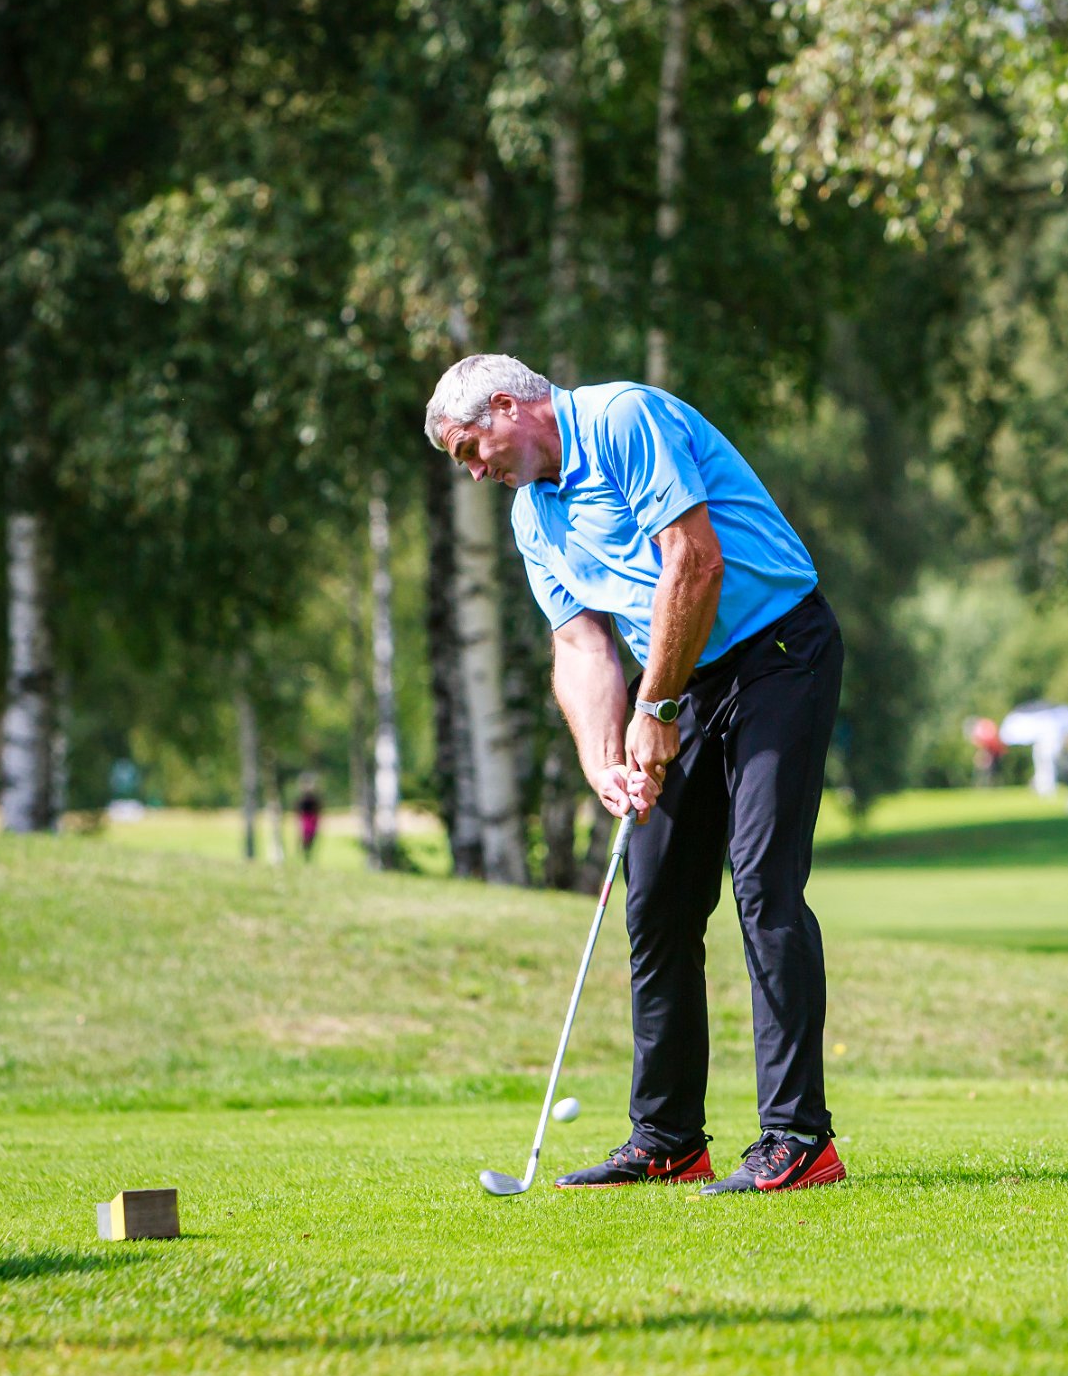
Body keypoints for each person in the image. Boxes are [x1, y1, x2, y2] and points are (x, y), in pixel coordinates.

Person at [424, 354, 847, 1196]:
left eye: (472, 448)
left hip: (778, 654)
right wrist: (604, 760)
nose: (474, 471)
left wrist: (654, 710)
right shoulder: (529, 515)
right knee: (655, 901)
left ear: (509, 406)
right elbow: (581, 644)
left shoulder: (621, 419)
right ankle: (667, 1138)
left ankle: (800, 1139)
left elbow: (694, 560)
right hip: (679, 680)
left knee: (762, 885)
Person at [297, 781, 323, 862]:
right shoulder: (305, 799)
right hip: (307, 819)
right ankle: (306, 852)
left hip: (311, 819)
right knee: (307, 836)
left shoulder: (312, 798)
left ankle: (307, 852)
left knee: (309, 836)